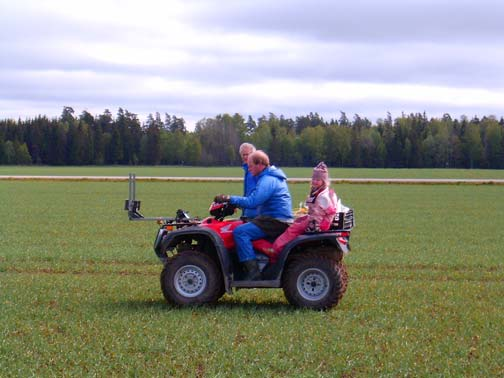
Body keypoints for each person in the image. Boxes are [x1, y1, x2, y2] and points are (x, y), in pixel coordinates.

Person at [214, 150, 293, 280]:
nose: (249, 169)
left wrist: (229, 198)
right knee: (243, 224)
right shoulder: (270, 177)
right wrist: (236, 203)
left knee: (240, 232)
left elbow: (253, 201)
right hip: (273, 218)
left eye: (250, 166)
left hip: (275, 220)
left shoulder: (268, 180)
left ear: (260, 164)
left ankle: (253, 271)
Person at [268, 162, 339, 254]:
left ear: (323, 181)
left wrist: (324, 224)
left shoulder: (323, 197)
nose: (314, 181)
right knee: (295, 221)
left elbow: (331, 212)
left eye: (318, 180)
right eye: (313, 179)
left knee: (292, 229)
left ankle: (276, 249)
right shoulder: (319, 191)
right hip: (314, 219)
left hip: (315, 223)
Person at [238, 143, 258, 219]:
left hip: (255, 214)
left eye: (248, 154)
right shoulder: (247, 170)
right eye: (243, 155)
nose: (246, 157)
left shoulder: (255, 171)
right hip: (247, 211)